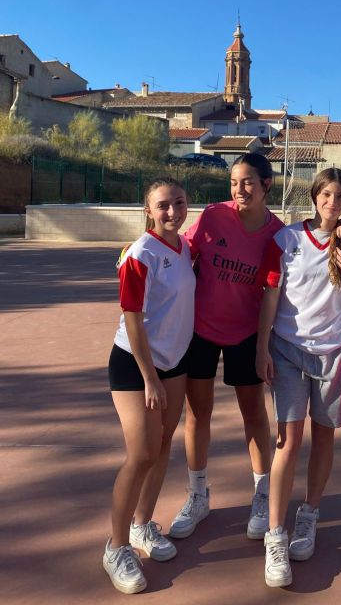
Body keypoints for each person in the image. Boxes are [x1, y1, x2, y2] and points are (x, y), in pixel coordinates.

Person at [255, 168, 341, 587]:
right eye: (326, 194)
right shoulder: (287, 241)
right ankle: (276, 534)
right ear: (315, 196)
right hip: (287, 352)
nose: (332, 202)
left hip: (334, 353)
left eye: (340, 197)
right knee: (288, 442)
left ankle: (309, 515)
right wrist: (262, 347)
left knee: (323, 437)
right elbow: (270, 297)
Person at [170, 153, 284, 541]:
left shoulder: (277, 233)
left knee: (253, 414)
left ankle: (262, 493)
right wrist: (139, 251)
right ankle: (198, 493)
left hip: (246, 334)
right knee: (198, 412)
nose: (240, 190)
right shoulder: (214, 216)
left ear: (267, 184)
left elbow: (276, 291)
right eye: (235, 182)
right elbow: (179, 249)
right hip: (200, 330)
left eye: (249, 182)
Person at [104, 177, 195, 594]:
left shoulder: (184, 247)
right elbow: (133, 321)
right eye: (163, 205)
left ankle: (142, 525)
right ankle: (116, 546)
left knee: (162, 447)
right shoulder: (139, 254)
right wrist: (149, 377)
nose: (172, 211)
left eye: (179, 203)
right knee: (141, 453)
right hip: (136, 366)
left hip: (174, 363)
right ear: (148, 210)